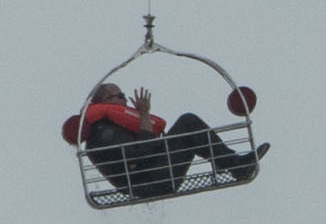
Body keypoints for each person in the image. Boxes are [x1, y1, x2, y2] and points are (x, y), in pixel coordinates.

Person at [61, 82, 267, 197]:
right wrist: (143, 115)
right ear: (103, 103)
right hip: (149, 180)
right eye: (118, 96)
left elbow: (145, 149)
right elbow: (139, 153)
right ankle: (235, 166)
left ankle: (231, 163)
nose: (124, 100)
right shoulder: (103, 132)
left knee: (188, 125)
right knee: (188, 122)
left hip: (154, 172)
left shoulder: (117, 126)